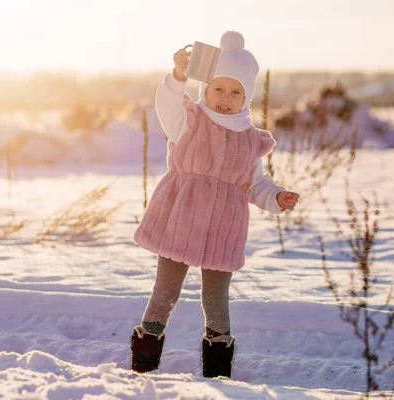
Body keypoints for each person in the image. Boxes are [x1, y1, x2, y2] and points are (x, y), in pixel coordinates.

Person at [131, 31, 300, 379]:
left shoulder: (251, 140)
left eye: (236, 92)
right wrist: (178, 76)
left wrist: (276, 197)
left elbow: (255, 183)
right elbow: (167, 105)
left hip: (224, 223)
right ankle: (144, 364)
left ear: (247, 97)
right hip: (182, 214)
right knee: (166, 289)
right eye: (219, 89)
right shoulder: (188, 121)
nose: (225, 98)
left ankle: (219, 370)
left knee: (216, 298)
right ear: (205, 89)